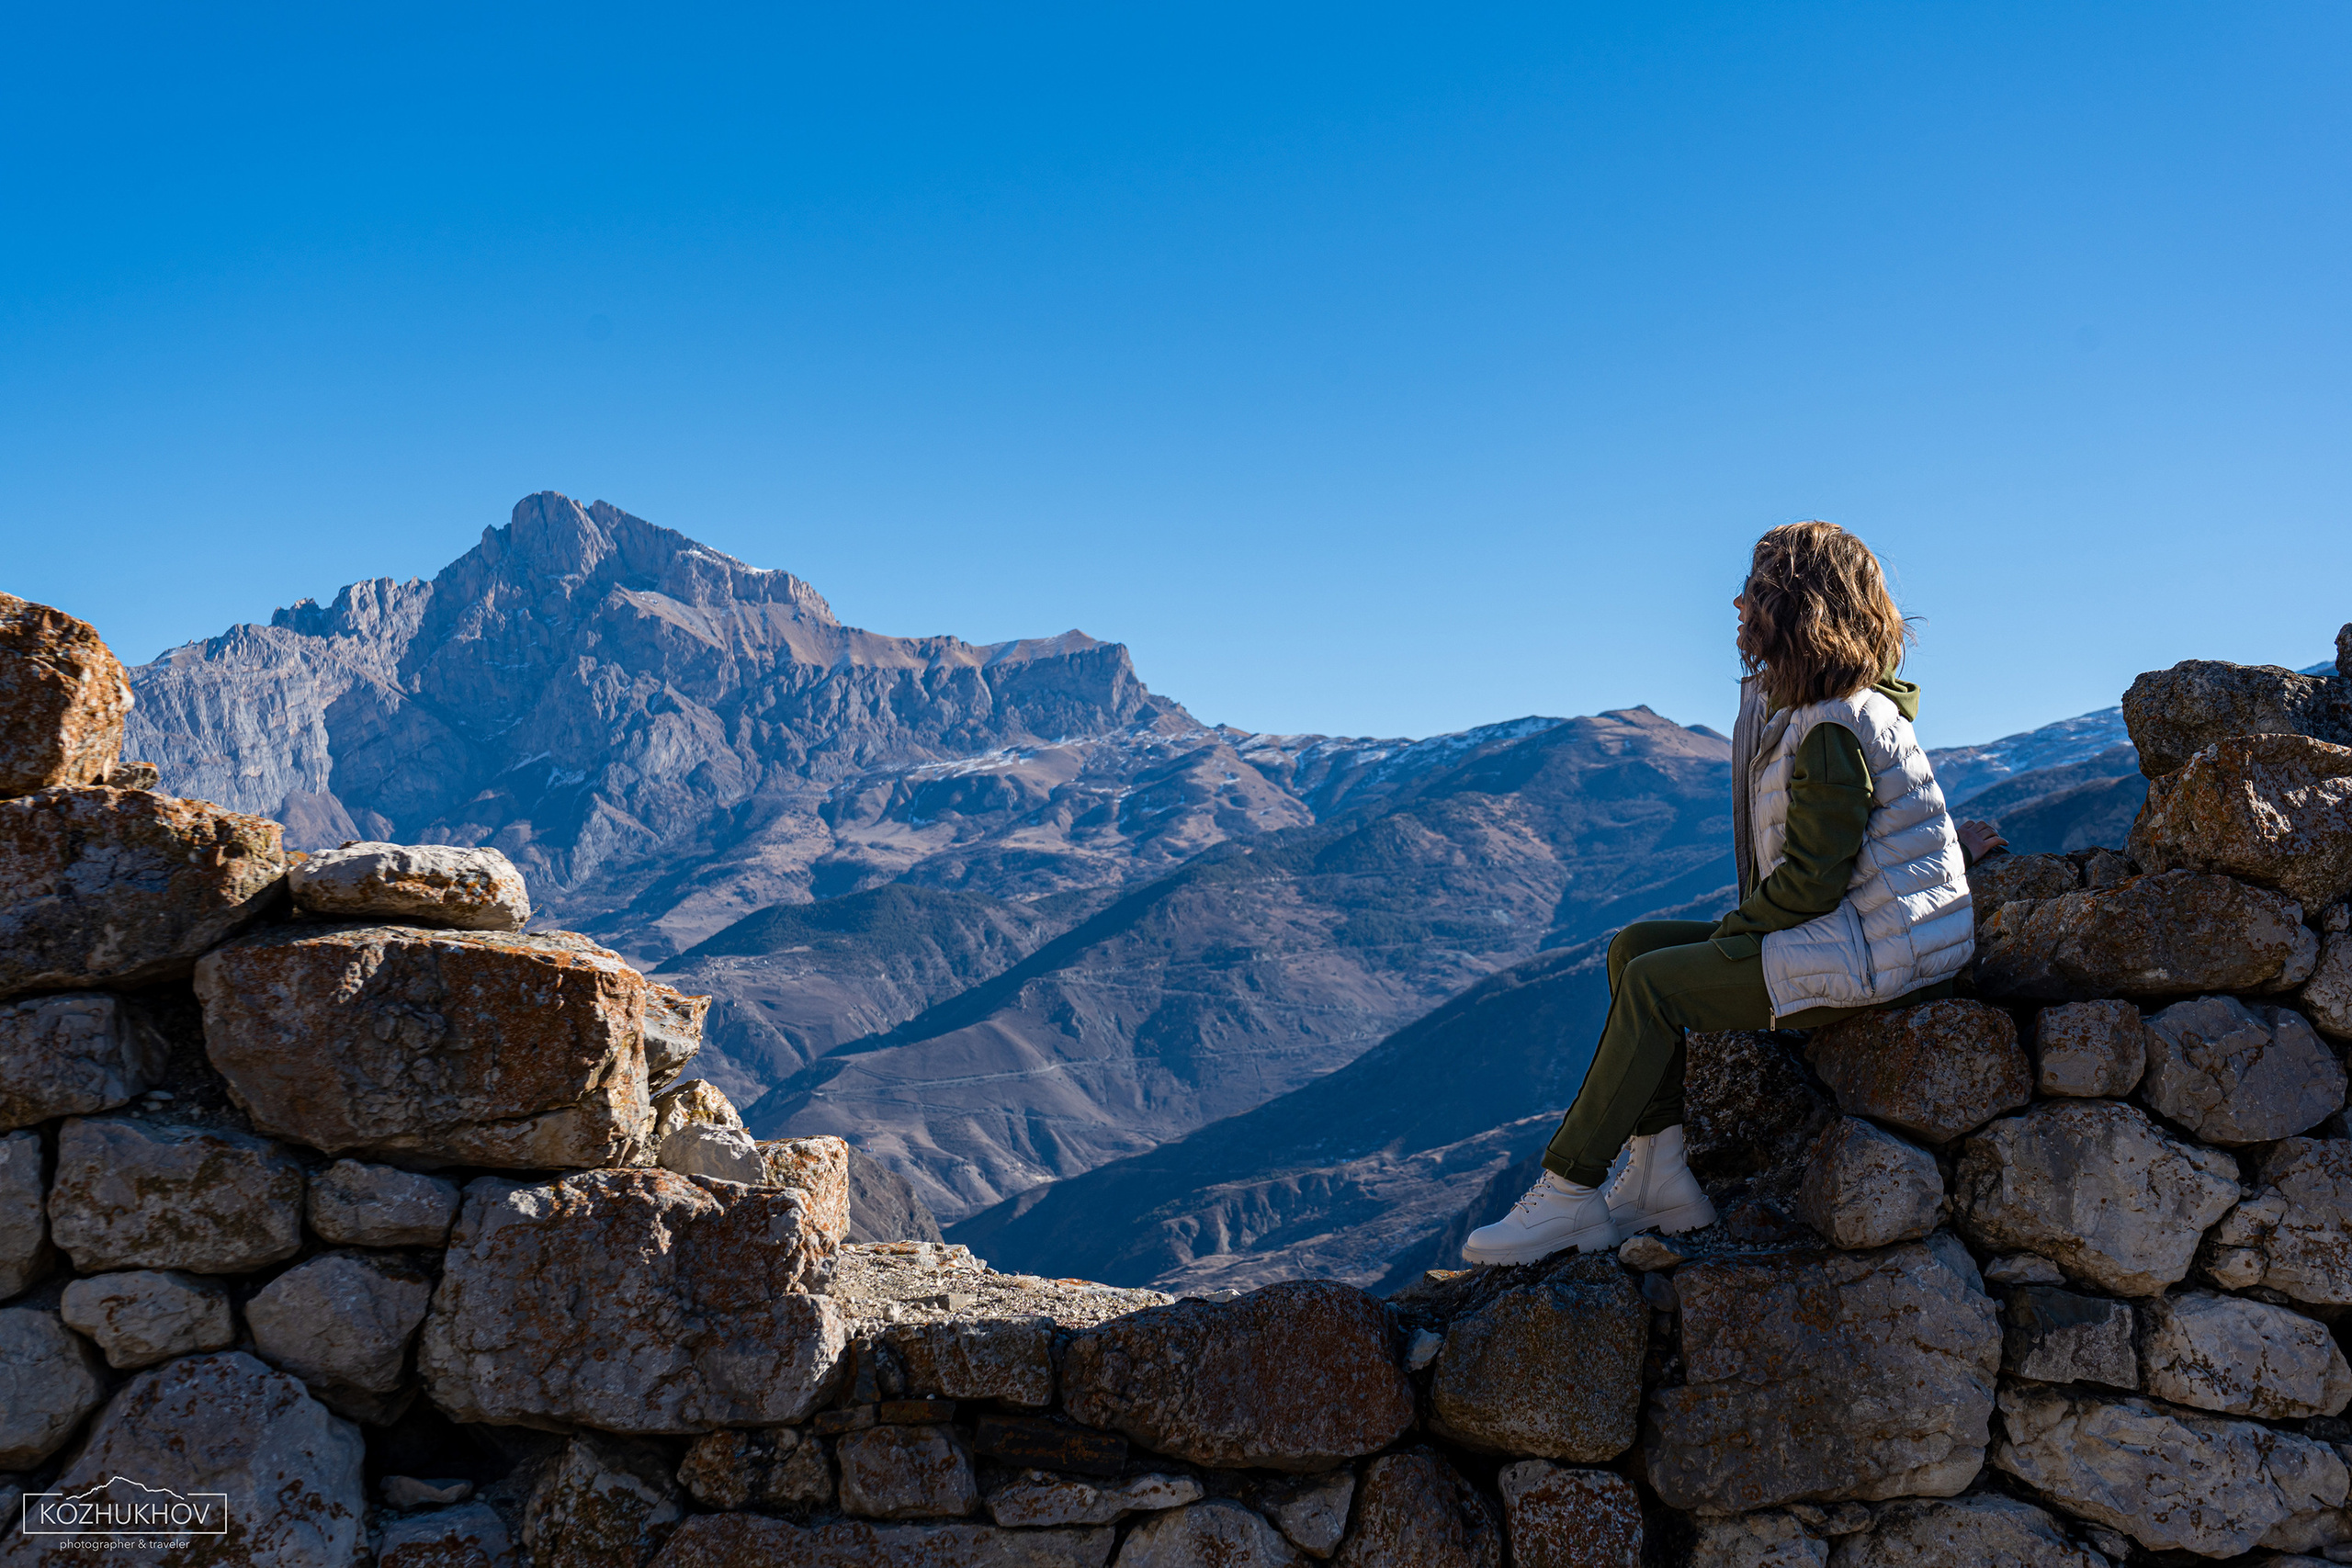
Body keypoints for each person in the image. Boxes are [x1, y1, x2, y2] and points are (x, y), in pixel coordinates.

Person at [1464, 521, 2007, 1265]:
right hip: (1863, 934)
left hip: (1878, 959)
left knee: (1656, 985)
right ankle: (1658, 1177)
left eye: (1754, 590)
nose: (1737, 604)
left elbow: (1812, 883)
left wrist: (1734, 935)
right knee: (1634, 948)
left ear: (1795, 607)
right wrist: (1739, 931)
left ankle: (1567, 1191)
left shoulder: (1832, 725)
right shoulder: (1828, 710)